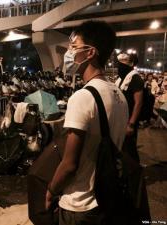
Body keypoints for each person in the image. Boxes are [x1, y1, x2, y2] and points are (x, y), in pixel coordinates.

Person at [45, 20, 128, 225]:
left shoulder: (83, 97)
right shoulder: (118, 94)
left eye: (74, 47)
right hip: (106, 198)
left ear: (90, 52)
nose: (69, 53)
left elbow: (70, 164)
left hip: (79, 204)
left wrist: (50, 191)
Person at [115, 53, 144, 163]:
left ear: (132, 63)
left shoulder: (135, 78)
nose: (120, 63)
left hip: (129, 122)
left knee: (129, 150)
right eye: (119, 60)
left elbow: (138, 103)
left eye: (124, 60)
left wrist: (131, 124)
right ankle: (126, 174)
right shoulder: (120, 79)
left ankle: (134, 175)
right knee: (122, 148)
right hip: (120, 120)